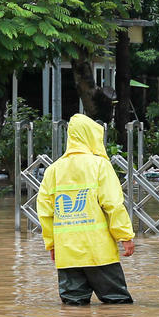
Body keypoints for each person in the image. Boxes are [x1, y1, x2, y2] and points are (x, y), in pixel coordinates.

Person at [37, 113, 136, 305]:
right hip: (99, 253)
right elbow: (113, 204)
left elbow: (45, 213)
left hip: (67, 254)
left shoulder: (53, 170)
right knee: (117, 305)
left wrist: (51, 244)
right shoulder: (100, 165)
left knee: (73, 308)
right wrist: (125, 237)